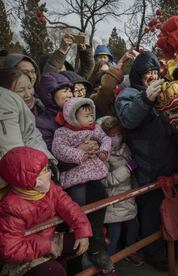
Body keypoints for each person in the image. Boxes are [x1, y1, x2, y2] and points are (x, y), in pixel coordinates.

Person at [115, 51, 178, 271]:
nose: (151, 76)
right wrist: (146, 98)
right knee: (152, 215)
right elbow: (129, 118)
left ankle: (176, 247)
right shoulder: (127, 94)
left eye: (154, 71)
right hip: (148, 166)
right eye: (147, 72)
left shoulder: (164, 92)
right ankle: (155, 253)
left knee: (176, 210)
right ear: (138, 74)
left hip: (171, 162)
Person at [0, 147, 92, 276]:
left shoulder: (49, 189)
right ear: (29, 179)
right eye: (45, 170)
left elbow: (69, 207)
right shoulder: (11, 207)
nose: (52, 174)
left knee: (80, 243)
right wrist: (46, 246)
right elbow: (10, 250)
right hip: (25, 253)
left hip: (47, 239)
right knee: (54, 272)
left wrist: (82, 230)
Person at [51, 97, 115, 274]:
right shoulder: (62, 132)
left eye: (91, 115)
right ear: (72, 117)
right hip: (75, 175)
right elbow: (58, 149)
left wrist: (102, 151)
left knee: (100, 197)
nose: (90, 119)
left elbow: (106, 139)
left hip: (92, 174)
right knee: (78, 204)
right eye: (85, 116)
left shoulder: (94, 128)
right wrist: (80, 152)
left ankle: (95, 244)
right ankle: (77, 236)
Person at [97, 116, 143, 265]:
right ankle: (108, 263)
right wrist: (127, 169)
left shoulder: (126, 148)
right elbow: (106, 180)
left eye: (118, 135)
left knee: (133, 227)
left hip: (128, 197)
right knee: (114, 234)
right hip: (113, 202)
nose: (116, 138)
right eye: (112, 135)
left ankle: (131, 251)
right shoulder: (102, 156)